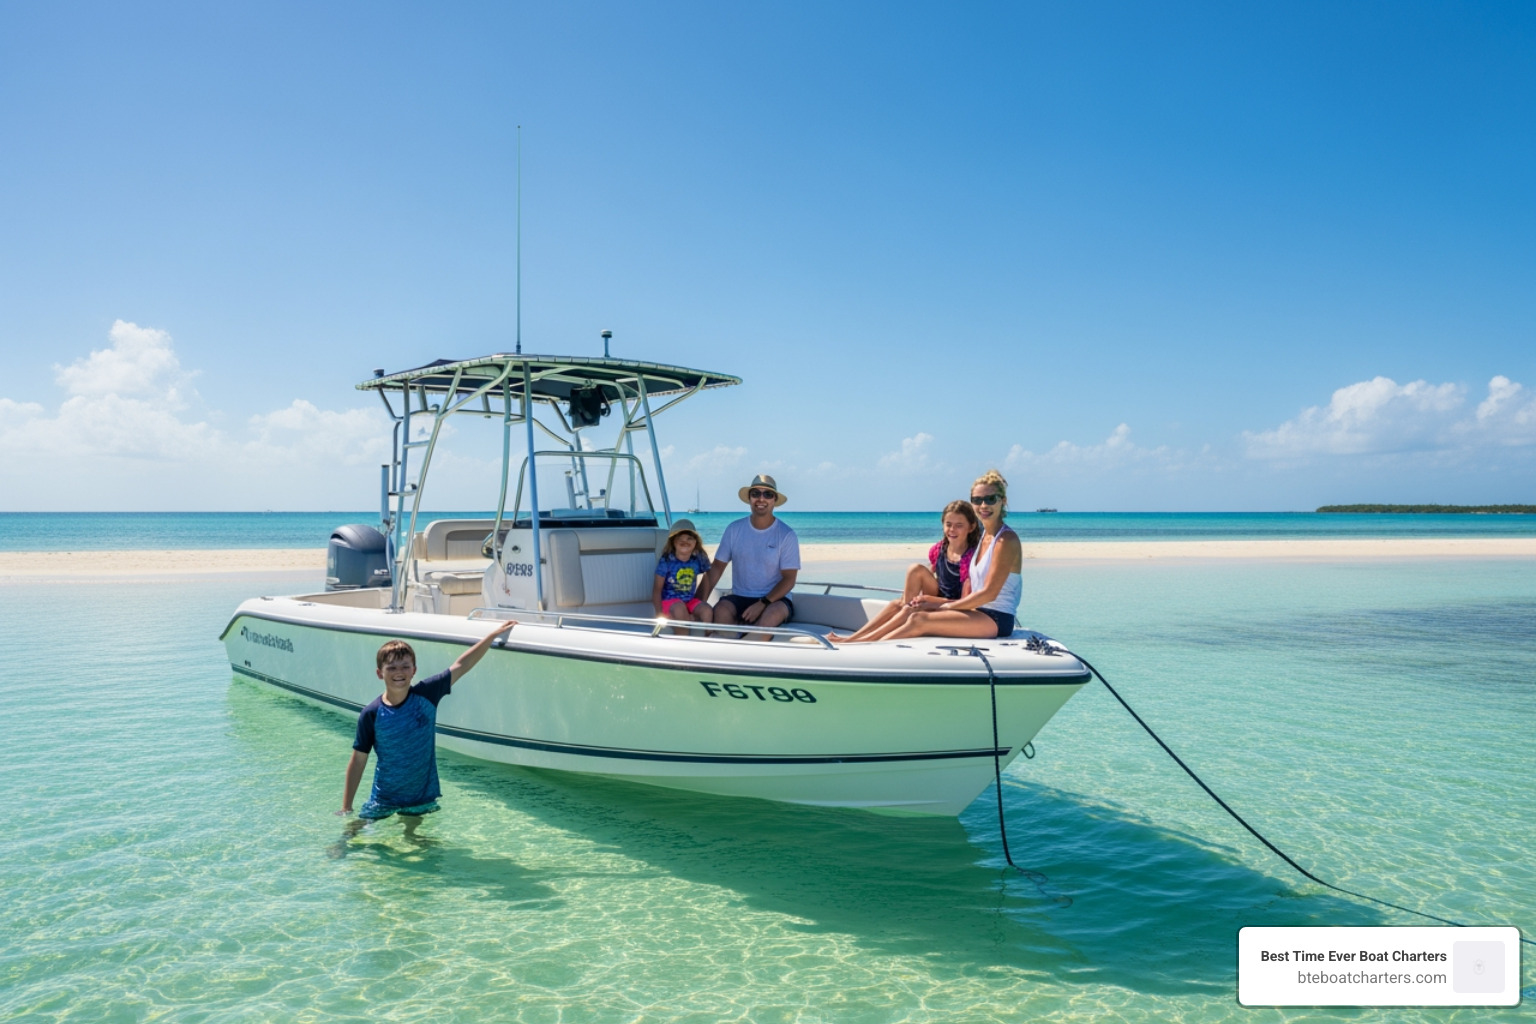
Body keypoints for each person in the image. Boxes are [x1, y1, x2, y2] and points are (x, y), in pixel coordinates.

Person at [338, 619, 515, 830]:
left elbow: (461, 665)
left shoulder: (427, 694)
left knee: (416, 841)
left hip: (421, 797)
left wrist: (492, 636)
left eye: (405, 666)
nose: (399, 672)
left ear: (414, 670)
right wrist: (346, 806)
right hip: (384, 798)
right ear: (380, 673)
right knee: (354, 834)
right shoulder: (372, 713)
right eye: (391, 667)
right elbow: (358, 760)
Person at [880, 469, 1022, 641]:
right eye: (977, 500)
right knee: (911, 610)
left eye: (990, 499)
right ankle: (856, 642)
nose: (983, 505)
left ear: (1003, 501)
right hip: (977, 612)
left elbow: (988, 594)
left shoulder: (1006, 540)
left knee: (919, 619)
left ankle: (870, 648)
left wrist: (945, 607)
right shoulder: (985, 536)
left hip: (997, 619)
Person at [828, 500, 980, 643]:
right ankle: (855, 636)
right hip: (935, 599)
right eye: (948, 524)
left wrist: (930, 601)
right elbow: (930, 578)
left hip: (953, 608)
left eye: (959, 525)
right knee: (901, 596)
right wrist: (913, 600)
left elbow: (964, 604)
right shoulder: (939, 549)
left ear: (971, 527)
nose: (952, 530)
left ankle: (860, 642)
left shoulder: (970, 559)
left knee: (907, 610)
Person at [699, 473, 800, 638]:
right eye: (756, 494)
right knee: (720, 612)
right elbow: (716, 568)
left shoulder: (786, 535)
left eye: (767, 494)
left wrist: (763, 603)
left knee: (769, 620)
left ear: (774, 500)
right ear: (749, 498)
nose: (761, 499)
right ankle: (738, 648)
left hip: (774, 600)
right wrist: (697, 602)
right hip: (739, 597)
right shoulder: (734, 529)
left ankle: (748, 649)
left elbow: (789, 579)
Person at [652, 518, 714, 630]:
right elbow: (657, 589)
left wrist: (702, 600)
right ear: (673, 542)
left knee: (707, 611)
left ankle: (706, 641)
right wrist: (659, 614)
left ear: (695, 542)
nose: (685, 541)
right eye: (680, 538)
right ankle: (683, 641)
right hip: (669, 602)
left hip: (689, 601)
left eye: (689, 538)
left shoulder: (698, 558)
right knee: (680, 609)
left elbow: (707, 576)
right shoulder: (666, 560)